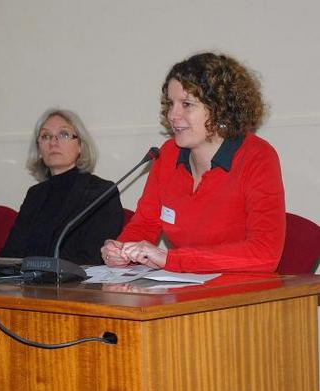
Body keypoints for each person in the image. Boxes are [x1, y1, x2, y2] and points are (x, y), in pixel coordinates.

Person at [101, 52, 285, 273]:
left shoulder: (257, 157)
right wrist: (121, 249)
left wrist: (170, 259)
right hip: (184, 291)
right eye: (171, 104)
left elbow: (264, 254)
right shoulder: (167, 155)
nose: (172, 115)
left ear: (221, 109)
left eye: (187, 104)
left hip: (238, 298)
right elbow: (146, 224)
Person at [0, 108, 123, 264]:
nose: (53, 142)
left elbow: (93, 258)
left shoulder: (101, 193)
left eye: (63, 134)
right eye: (45, 136)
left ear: (80, 146)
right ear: (39, 148)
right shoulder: (35, 194)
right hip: (28, 284)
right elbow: (11, 253)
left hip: (73, 286)